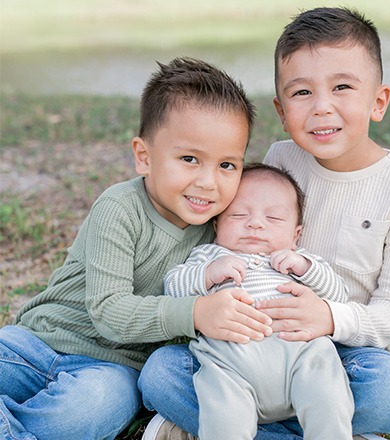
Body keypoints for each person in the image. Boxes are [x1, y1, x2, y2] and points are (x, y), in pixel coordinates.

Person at [138, 6, 390, 440]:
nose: (321, 108)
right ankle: (323, 428)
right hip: (243, 346)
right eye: (301, 93)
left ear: (378, 101)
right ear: (280, 108)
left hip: (334, 351)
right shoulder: (279, 160)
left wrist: (329, 318)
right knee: (159, 372)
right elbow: (225, 235)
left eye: (343, 87)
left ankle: (223, 424)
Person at [0, 57, 266, 440]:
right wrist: (195, 312)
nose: (209, 182)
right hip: (36, 342)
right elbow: (109, 311)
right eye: (189, 159)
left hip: (112, 369)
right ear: (144, 157)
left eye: (227, 165)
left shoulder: (221, 233)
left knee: (85, 414)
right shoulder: (120, 207)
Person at [161, 163, 353, 439]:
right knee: (222, 418)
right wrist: (208, 274)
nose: (255, 224)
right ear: (216, 224)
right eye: (238, 214)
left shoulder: (301, 259)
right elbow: (172, 288)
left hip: (301, 355)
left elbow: (339, 295)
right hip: (230, 363)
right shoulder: (210, 255)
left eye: (273, 218)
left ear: (296, 234)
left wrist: (305, 267)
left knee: (328, 393)